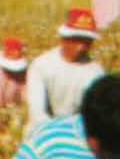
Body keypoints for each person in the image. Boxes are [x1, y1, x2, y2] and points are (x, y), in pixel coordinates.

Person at [25, 9, 104, 137]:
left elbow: (95, 114)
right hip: (41, 133)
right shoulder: (42, 65)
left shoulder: (96, 72)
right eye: (78, 40)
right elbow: (37, 112)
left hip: (77, 135)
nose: (82, 47)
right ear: (64, 38)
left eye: (87, 41)